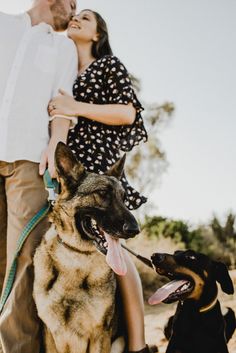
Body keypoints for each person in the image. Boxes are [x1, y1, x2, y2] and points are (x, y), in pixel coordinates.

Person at [48, 9, 157, 353]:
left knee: (115, 252)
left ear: (98, 35)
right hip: (67, 170)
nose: (77, 18)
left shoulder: (109, 65)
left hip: (99, 167)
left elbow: (127, 113)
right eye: (75, 15)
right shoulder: (61, 65)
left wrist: (75, 106)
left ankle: (138, 344)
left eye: (88, 18)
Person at [0, 1, 78, 353]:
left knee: (23, 265)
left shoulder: (63, 47)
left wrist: (56, 144)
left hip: (29, 161)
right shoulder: (4, 24)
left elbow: (61, 105)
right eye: (72, 0)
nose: (76, 7)